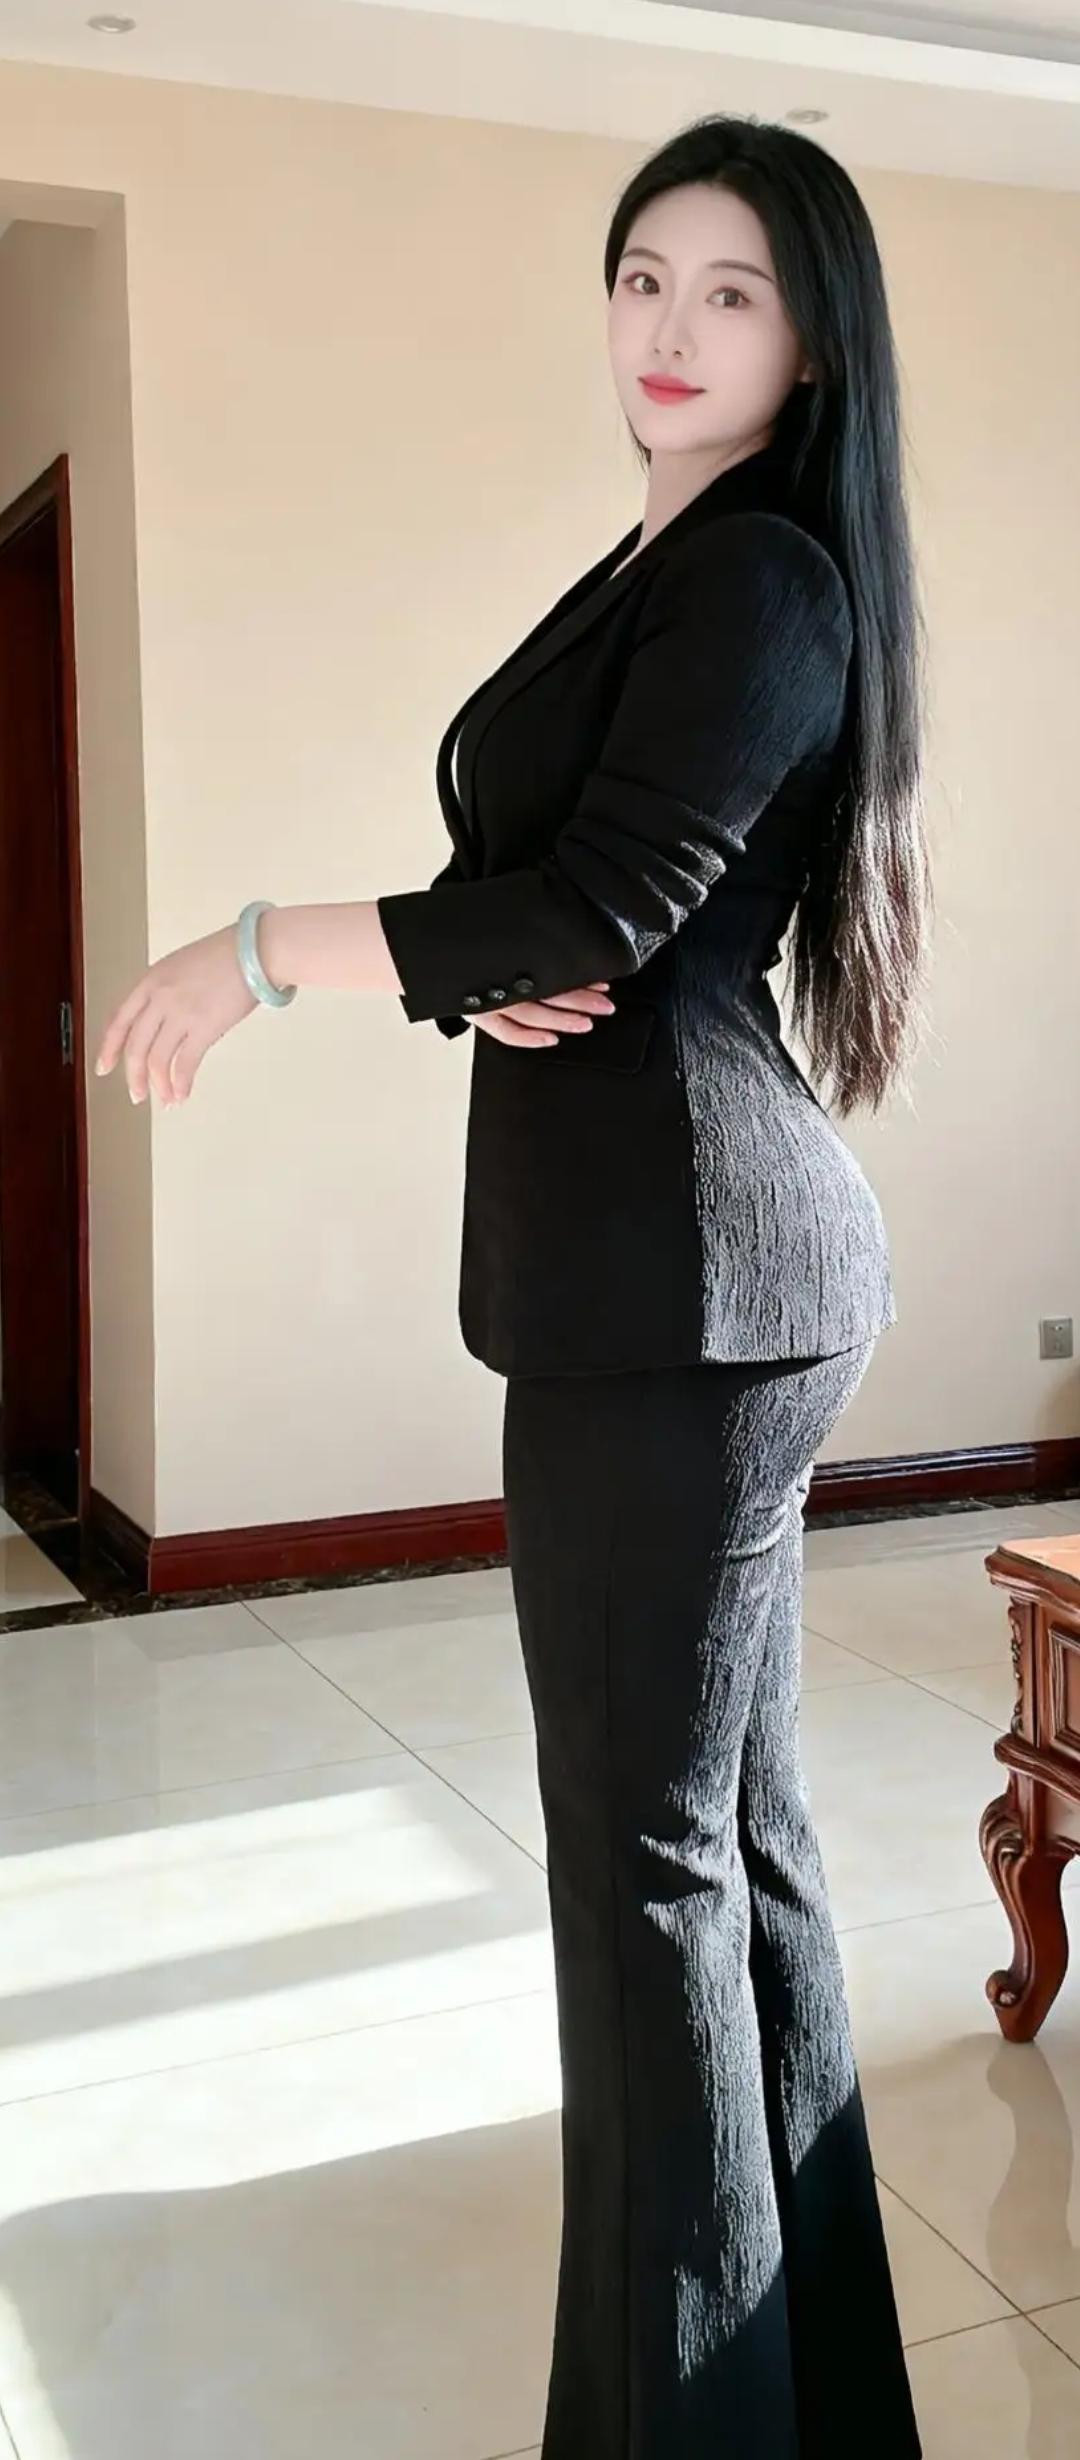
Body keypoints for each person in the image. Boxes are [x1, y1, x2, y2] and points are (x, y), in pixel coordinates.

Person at [96, 111, 931, 2459]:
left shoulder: (761, 580)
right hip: (671, 1271)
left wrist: (262, 952)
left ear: (810, 340)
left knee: (646, 1880)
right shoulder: (667, 564)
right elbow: (565, 905)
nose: (670, 325)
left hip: (688, 1288)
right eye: (643, 275)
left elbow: (596, 911)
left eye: (732, 291)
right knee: (732, 1857)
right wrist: (499, 947)